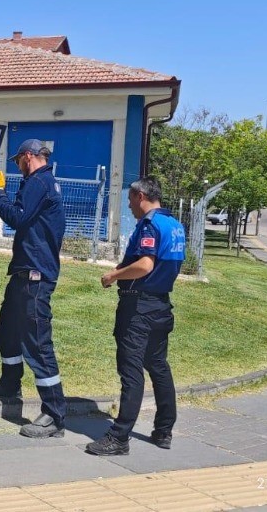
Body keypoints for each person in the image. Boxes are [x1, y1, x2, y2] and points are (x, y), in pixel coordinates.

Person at [86, 177, 185, 456]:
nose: (129, 206)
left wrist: (113, 276)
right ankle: (164, 430)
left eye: (130, 199)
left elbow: (145, 265)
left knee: (131, 371)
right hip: (161, 306)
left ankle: (119, 437)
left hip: (138, 308)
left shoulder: (150, 224)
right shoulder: (175, 225)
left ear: (141, 196)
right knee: (158, 366)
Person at [0, 139, 68, 438]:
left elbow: (16, 217)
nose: (17, 165)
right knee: (6, 330)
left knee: (37, 343)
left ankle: (54, 414)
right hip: (24, 273)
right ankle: (9, 383)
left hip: (35, 276)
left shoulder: (38, 182)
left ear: (29, 157)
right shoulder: (43, 182)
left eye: (19, 160)